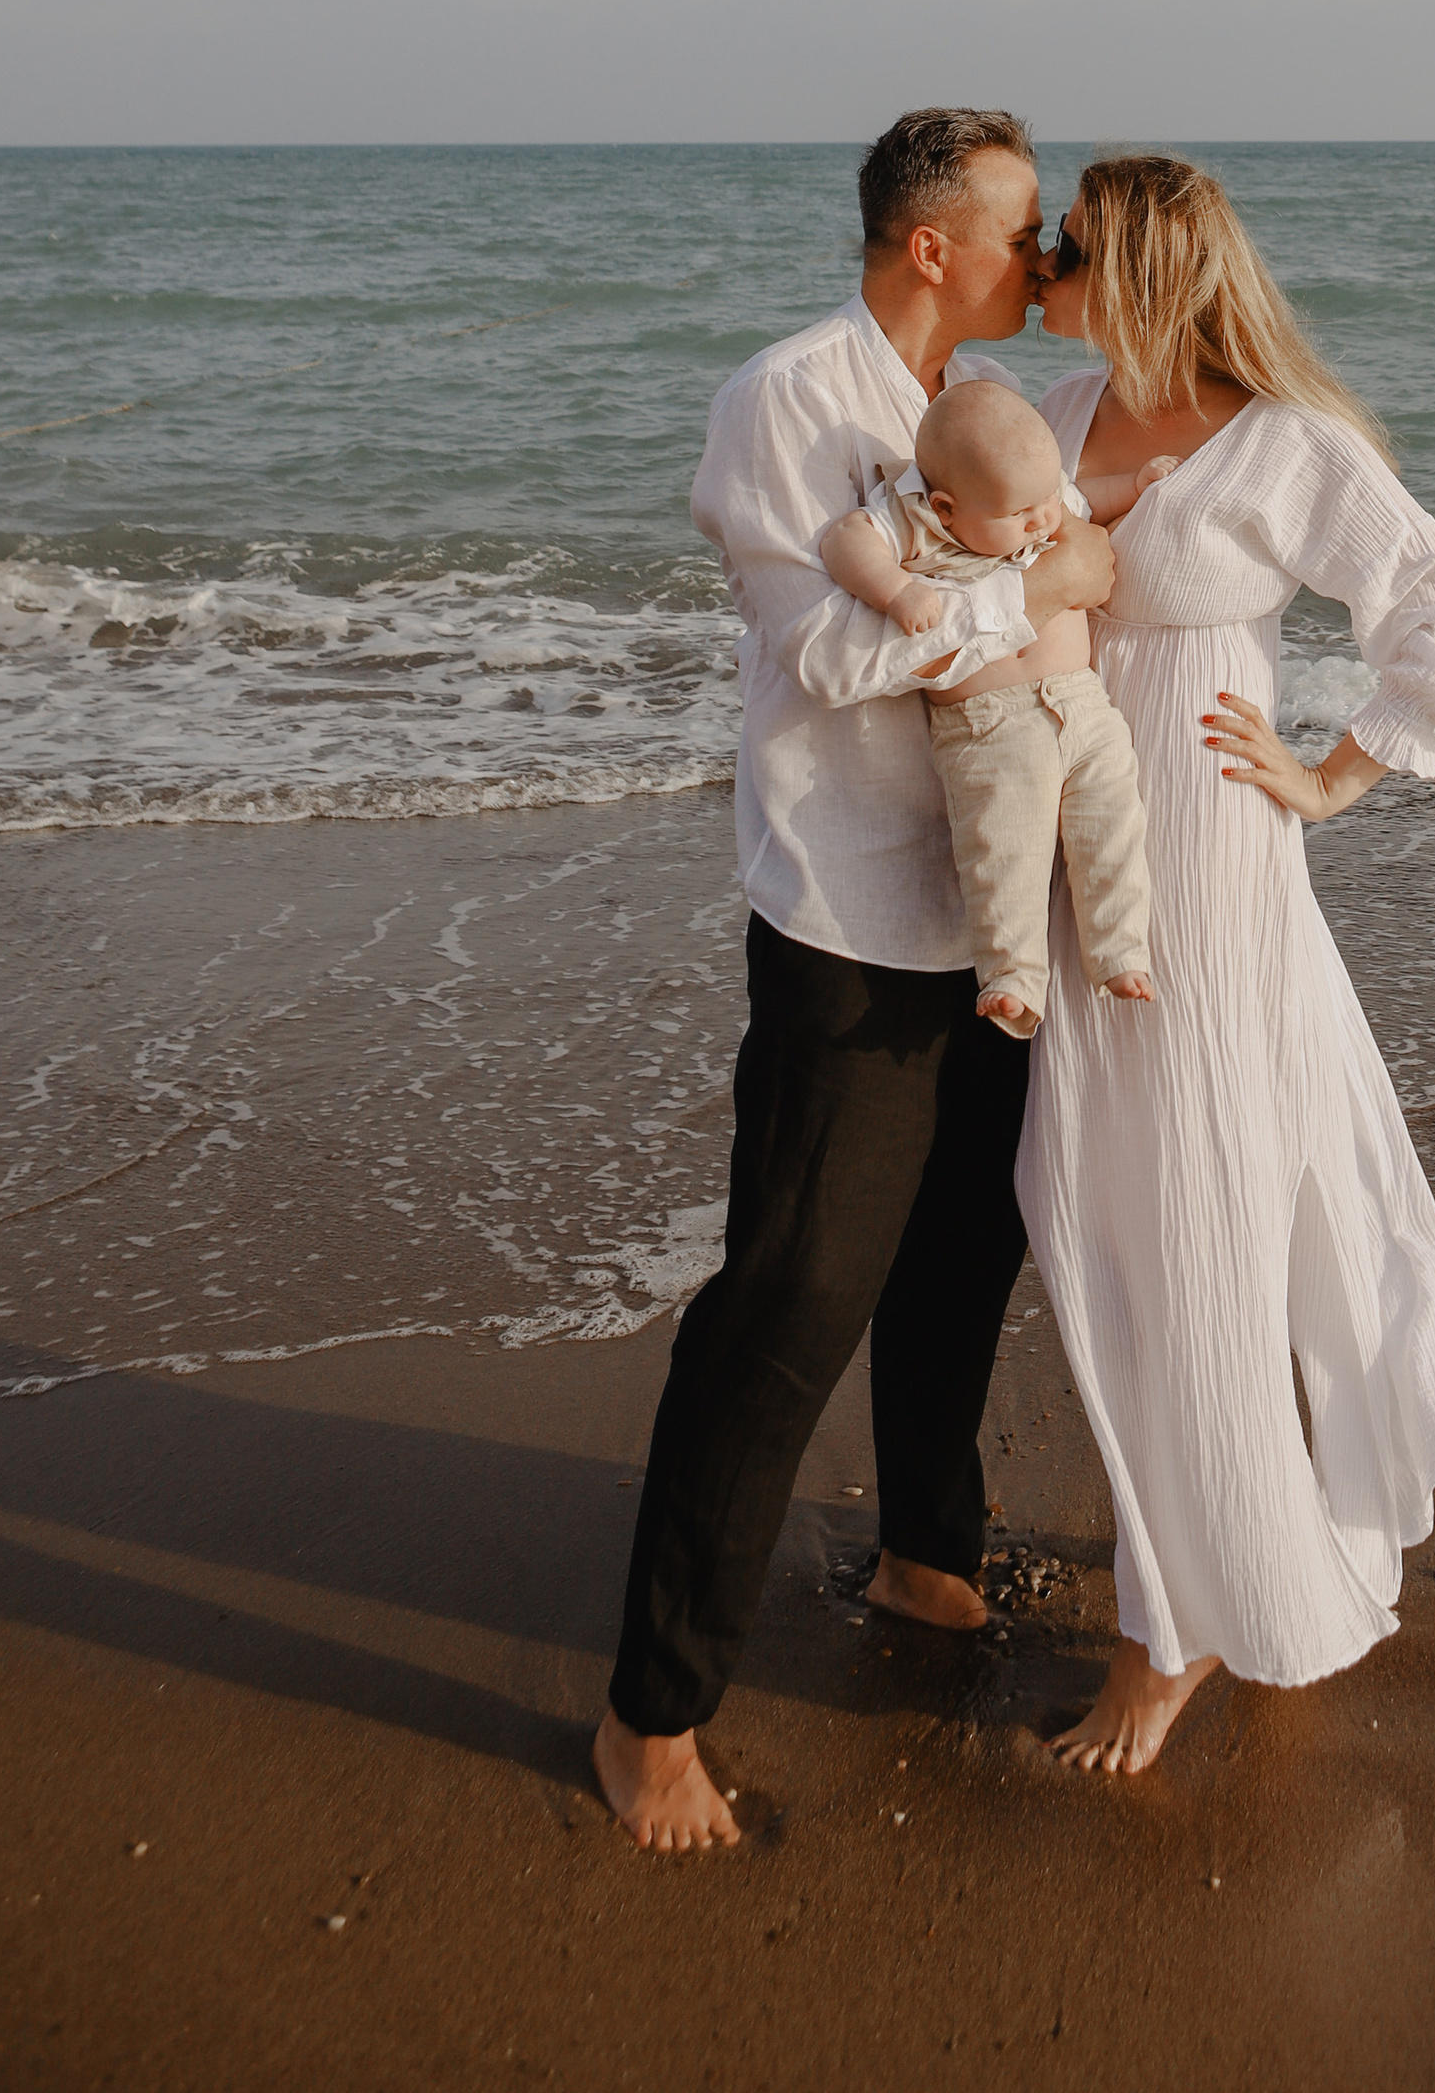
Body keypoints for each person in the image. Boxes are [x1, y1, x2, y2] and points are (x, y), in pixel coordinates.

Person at [593, 110, 1117, 1850]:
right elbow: (826, 650)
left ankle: (924, 1552)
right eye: (1025, 229)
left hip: (990, 917)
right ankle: (651, 1715)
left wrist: (1031, 601)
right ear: (929, 245)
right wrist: (1029, 604)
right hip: (844, 924)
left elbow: (1025, 602)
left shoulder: (1003, 415)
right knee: (790, 1303)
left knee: (969, 1253)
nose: (1043, 261)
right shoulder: (788, 402)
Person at [1021, 151, 1435, 1774]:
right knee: (1084, 1213)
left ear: (1147, 268)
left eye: (1069, 244)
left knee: (1195, 1241)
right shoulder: (1066, 416)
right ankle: (1195, 1550)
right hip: (1075, 878)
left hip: (1215, 884)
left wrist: (1333, 770)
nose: (1041, 261)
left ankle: (1176, 1633)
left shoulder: (1287, 447)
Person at [815, 375, 1166, 1036]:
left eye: (1043, 502)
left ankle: (1121, 950)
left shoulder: (1037, 497)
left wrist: (1138, 483)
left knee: (1114, 822)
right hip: (987, 724)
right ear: (947, 508)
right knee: (1004, 845)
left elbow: (1083, 499)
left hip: (1081, 702)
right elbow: (844, 541)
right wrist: (896, 593)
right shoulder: (913, 520)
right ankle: (1011, 977)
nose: (1041, 520)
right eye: (1019, 514)